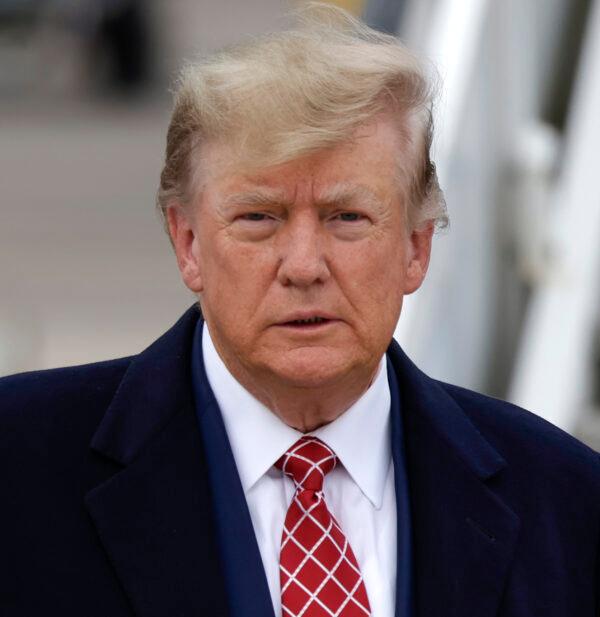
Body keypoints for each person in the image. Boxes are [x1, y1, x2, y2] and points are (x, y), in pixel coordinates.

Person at [1, 6, 598, 617]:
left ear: (416, 247)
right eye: (259, 218)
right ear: (188, 244)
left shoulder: (568, 501)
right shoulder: (16, 469)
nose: (304, 265)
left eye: (347, 218)